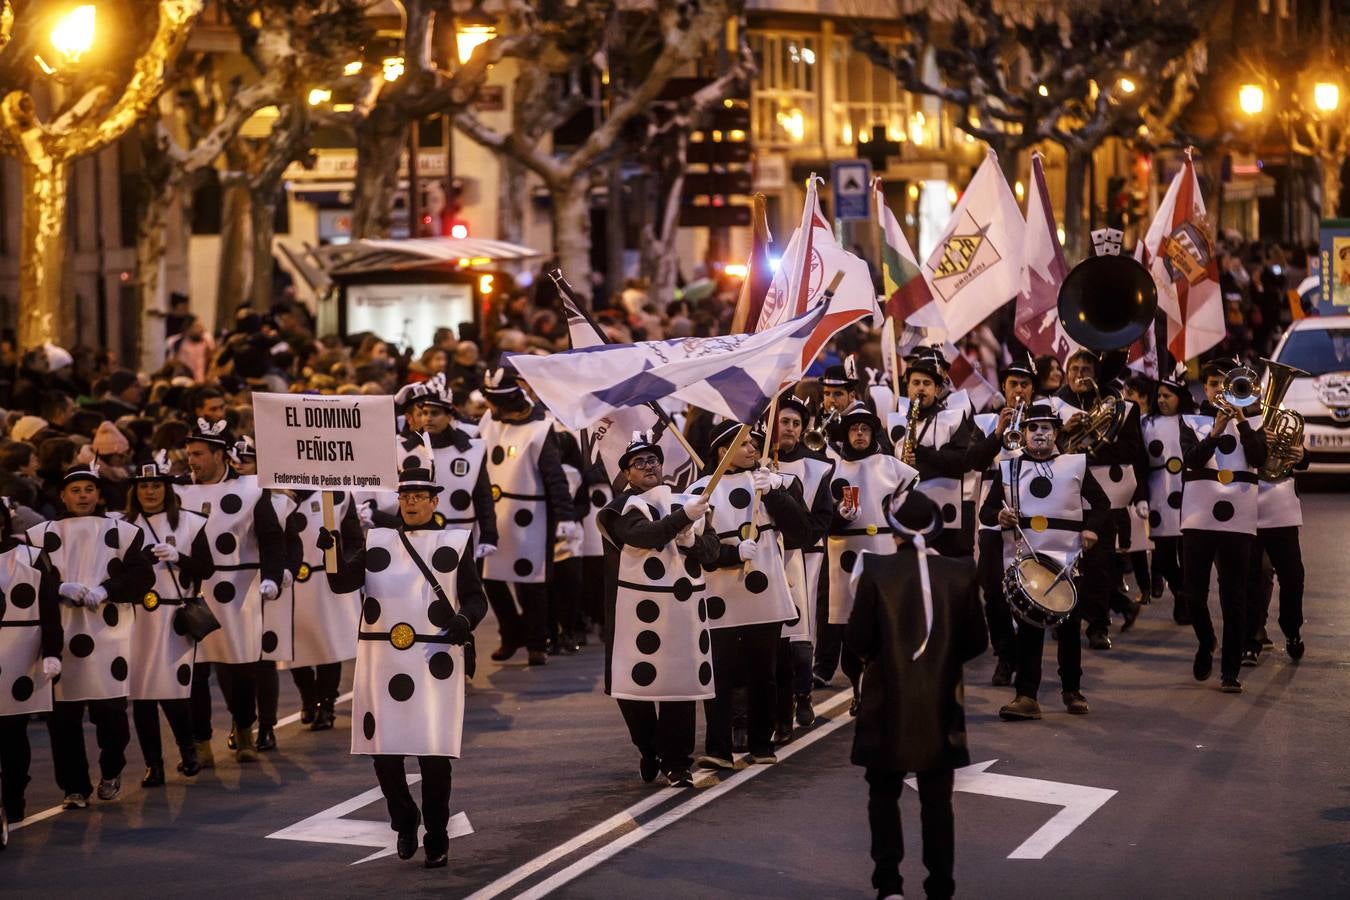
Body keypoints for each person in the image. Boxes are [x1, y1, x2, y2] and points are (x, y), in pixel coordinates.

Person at [317, 445, 487, 870]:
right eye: (406, 496)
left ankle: (437, 833)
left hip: (433, 660)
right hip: (384, 661)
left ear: (434, 501)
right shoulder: (378, 540)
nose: (411, 503)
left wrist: (465, 619)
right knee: (384, 752)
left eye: (420, 497)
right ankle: (404, 818)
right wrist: (330, 548)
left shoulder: (454, 540)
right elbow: (341, 583)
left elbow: (475, 597)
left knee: (434, 755)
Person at [847, 490, 987, 900]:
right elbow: (977, 641)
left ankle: (889, 885)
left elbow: (857, 640)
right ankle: (940, 886)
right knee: (938, 802)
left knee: (883, 796)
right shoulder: (961, 571)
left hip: (884, 700)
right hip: (940, 700)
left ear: (894, 529)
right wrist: (941, 659)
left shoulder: (873, 569)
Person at [597, 433, 719, 788]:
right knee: (631, 690)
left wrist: (694, 537)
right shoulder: (619, 509)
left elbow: (711, 554)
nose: (649, 467)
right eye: (639, 463)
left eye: (653, 460)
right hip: (632, 616)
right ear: (626, 474)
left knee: (677, 689)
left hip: (680, 611)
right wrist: (682, 520)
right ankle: (649, 748)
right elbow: (644, 536)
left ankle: (678, 763)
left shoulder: (686, 502)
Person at [31, 463, 154, 808]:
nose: (83, 496)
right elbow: (25, 581)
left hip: (107, 635)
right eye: (76, 490)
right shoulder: (39, 535)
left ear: (99, 494)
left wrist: (107, 589)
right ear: (62, 496)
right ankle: (74, 787)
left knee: (112, 716)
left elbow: (143, 578)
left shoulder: (125, 532)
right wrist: (58, 587)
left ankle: (111, 770)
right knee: (63, 720)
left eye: (89, 489)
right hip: (60, 636)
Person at [690, 422, 811, 769]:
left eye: (754, 443)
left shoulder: (772, 483)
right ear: (720, 451)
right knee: (720, 674)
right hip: (720, 593)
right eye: (743, 444)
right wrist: (728, 555)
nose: (753, 449)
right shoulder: (700, 490)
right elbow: (694, 546)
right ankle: (718, 748)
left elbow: (802, 532)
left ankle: (762, 743)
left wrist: (776, 495)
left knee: (764, 672)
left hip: (765, 593)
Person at [980, 404, 1110, 719]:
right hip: (1026, 564)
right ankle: (1026, 696)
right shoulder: (1008, 467)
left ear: (1056, 433)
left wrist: (1091, 528)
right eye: (1034, 428)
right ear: (1023, 433)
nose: (1040, 433)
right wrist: (999, 515)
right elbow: (985, 513)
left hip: (1066, 561)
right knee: (1029, 631)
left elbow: (1102, 503)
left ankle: (1072, 691)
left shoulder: (1075, 464)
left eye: (1047, 428)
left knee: (1068, 629)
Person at [176, 420, 286, 763]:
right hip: (193, 588)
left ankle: (244, 730)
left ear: (219, 454)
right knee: (195, 668)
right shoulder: (177, 490)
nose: (190, 459)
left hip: (241, 588)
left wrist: (271, 576)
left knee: (242, 666)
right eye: (188, 453)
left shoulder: (252, 489)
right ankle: (201, 742)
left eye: (198, 453)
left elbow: (271, 538)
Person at [820, 402, 917, 712]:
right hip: (844, 554)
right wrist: (839, 515)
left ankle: (881, 687)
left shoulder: (891, 465)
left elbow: (909, 505)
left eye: (864, 429)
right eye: (853, 429)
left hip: (881, 550)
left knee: (881, 624)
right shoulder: (831, 467)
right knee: (849, 627)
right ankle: (857, 688)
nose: (859, 434)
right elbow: (822, 517)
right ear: (846, 434)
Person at [477, 368, 578, 666]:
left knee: (532, 581)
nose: (488, 407)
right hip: (491, 514)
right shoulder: (488, 422)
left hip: (531, 516)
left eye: (492, 401)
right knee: (491, 579)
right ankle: (510, 632)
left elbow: (554, 477)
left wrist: (565, 517)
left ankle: (537, 642)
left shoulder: (540, 429)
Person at [124, 454, 215, 785]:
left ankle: (188, 749)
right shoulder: (121, 525)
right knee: (141, 694)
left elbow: (206, 568)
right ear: (135, 491)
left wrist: (180, 558)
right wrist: (139, 565)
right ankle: (153, 764)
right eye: (143, 486)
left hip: (173, 614)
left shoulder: (190, 522)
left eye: (156, 485)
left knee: (174, 689)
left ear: (167, 488)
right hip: (136, 618)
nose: (150, 492)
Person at [1179, 359, 1268, 693]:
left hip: (1239, 517)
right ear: (1205, 388)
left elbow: (1258, 458)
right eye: (1214, 384)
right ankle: (1206, 640)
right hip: (1198, 516)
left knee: (1235, 595)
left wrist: (1242, 421)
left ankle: (1230, 670)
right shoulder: (1191, 420)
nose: (1221, 390)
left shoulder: (1255, 419)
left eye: (1226, 384)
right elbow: (1191, 461)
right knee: (1193, 593)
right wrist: (1216, 431)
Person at [1055, 350, 1144, 648]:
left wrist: (1092, 446)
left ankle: (1098, 625)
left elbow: (1132, 450)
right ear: (1066, 373)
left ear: (1096, 373)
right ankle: (1064, 616)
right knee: (1063, 561)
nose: (1080, 374)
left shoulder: (1121, 407)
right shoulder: (1052, 406)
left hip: (1103, 493)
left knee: (1099, 562)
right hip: (1064, 491)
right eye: (1075, 368)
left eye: (1086, 369)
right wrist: (1063, 433)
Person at [966, 354, 1039, 686]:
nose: (1019, 390)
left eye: (1025, 384)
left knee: (1028, 590)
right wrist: (997, 433)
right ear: (1004, 388)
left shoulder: (1041, 422)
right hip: (992, 518)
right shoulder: (983, 422)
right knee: (993, 590)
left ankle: (1026, 656)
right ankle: (1004, 654)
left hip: (1031, 518)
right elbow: (974, 461)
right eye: (1013, 384)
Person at [0, 501, 62, 836]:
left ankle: (13, 796)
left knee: (12, 733)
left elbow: (49, 607)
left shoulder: (30, 556)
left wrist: (53, 651)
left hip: (20, 655)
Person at [773, 395, 834, 732]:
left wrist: (801, 536)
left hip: (805, 556)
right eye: (785, 422)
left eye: (796, 423)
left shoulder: (817, 466)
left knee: (802, 626)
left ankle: (803, 694)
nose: (791, 429)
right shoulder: (757, 462)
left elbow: (825, 515)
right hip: (765, 556)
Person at [1247, 389, 1309, 663]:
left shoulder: (1282, 417)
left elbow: (1300, 460)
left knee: (1293, 576)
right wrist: (1256, 441)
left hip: (1281, 508)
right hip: (1248, 506)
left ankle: (1291, 628)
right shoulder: (1239, 421)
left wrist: (1301, 454)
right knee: (1252, 576)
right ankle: (1251, 638)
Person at [890, 355, 972, 556]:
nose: (920, 389)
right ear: (907, 388)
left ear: (937, 390)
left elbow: (964, 461)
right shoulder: (894, 422)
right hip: (906, 515)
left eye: (927, 384)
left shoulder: (953, 419)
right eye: (915, 383)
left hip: (945, 514)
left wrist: (923, 455)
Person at [1141, 367, 1191, 625]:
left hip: (1187, 494)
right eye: (1159, 395)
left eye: (1167, 396)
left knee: (1188, 553)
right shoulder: (1147, 423)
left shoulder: (1191, 421)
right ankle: (1180, 589)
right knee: (1162, 554)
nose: (1161, 400)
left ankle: (1185, 598)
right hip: (1158, 493)